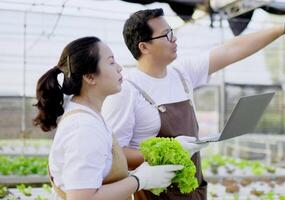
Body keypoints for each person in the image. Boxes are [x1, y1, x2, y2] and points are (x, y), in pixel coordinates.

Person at [102, 9, 285, 199]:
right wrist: (172, 151)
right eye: (167, 34)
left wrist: (283, 28)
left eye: (173, 32)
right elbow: (115, 156)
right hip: (155, 194)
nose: (175, 39)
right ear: (144, 47)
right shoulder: (126, 91)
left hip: (194, 189)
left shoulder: (182, 74)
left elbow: (231, 50)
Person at [33, 36, 183, 200]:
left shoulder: (91, 116)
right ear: (90, 77)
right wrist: (140, 180)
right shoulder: (84, 128)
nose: (119, 68)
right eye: (111, 62)